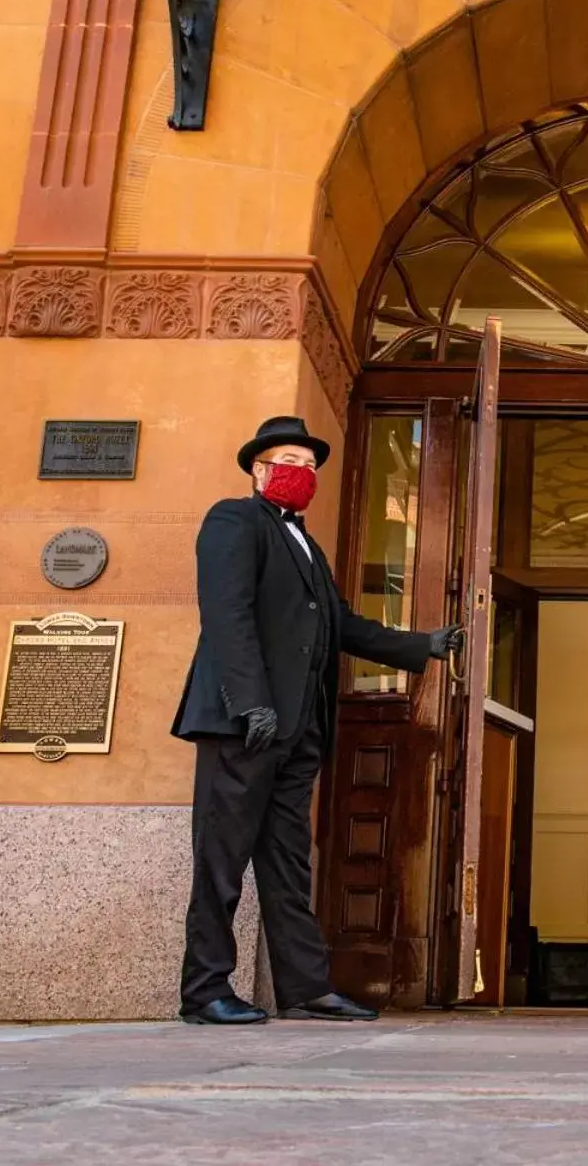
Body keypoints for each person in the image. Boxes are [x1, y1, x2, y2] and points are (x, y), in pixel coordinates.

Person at [172, 416, 463, 1026]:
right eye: (286, 460)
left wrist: (423, 646)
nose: (299, 473)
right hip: (241, 723)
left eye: (309, 466)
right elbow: (227, 615)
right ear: (257, 468)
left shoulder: (308, 544)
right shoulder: (233, 520)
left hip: (299, 732)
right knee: (221, 861)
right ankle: (204, 992)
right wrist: (249, 701)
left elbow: (344, 626)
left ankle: (304, 986)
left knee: (287, 864)